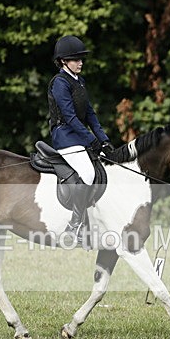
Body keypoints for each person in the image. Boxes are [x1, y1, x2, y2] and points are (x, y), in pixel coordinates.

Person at [47, 35, 115, 243]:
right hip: (64, 136)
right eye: (75, 59)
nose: (80, 62)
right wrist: (91, 141)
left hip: (78, 135)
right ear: (63, 61)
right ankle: (74, 225)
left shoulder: (79, 81)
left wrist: (103, 139)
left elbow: (90, 115)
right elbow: (69, 117)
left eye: (81, 59)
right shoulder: (59, 83)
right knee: (87, 173)